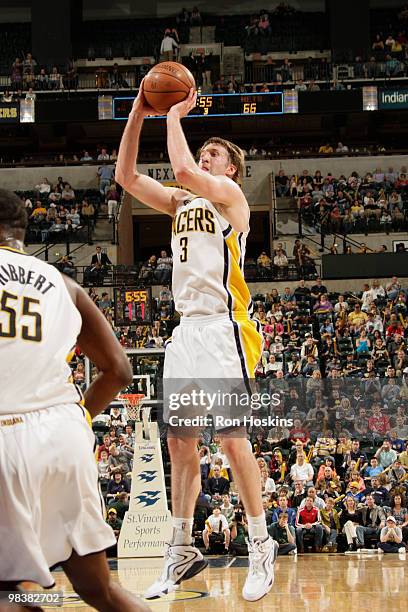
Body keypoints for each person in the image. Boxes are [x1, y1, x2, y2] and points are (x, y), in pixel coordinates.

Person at [116, 83, 278, 602]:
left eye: (215, 154)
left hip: (224, 327)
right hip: (186, 331)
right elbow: (125, 176)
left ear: (230, 170)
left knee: (232, 440)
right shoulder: (182, 203)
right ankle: (181, 549)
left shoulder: (231, 200)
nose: (204, 157)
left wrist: (175, 112)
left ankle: (260, 545)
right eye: (202, 149)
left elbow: (185, 170)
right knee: (180, 446)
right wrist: (141, 112)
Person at [0, 189, 148, 612]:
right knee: (98, 590)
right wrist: (78, 417)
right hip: (65, 436)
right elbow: (119, 371)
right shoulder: (63, 284)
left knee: (8, 591)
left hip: (7, 438)